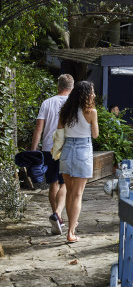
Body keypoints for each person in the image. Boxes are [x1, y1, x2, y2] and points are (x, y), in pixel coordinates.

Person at [30, 74, 74, 235]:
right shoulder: (73, 103)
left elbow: (38, 129)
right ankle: (58, 215)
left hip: (48, 148)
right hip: (68, 147)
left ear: (58, 86)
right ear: (72, 88)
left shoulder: (47, 103)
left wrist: (33, 151)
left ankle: (57, 217)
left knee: (53, 183)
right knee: (64, 183)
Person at [58, 81, 99, 243]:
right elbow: (95, 135)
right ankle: (71, 231)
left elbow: (59, 131)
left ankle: (70, 227)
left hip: (67, 150)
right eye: (92, 92)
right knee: (77, 195)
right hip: (83, 150)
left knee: (69, 192)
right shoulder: (91, 112)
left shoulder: (65, 111)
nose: (94, 95)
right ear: (86, 94)